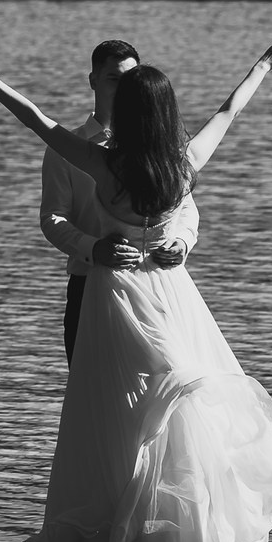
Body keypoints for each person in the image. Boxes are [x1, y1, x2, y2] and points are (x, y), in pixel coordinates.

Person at [0, 32, 272, 542]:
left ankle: (126, 531)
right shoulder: (184, 161)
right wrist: (264, 62)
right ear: (166, 113)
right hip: (168, 295)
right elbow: (230, 110)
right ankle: (155, 531)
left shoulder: (105, 164)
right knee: (169, 402)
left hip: (114, 295)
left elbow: (34, 118)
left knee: (109, 414)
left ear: (132, 108)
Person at [44, 39, 198, 362]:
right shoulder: (68, 147)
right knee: (93, 397)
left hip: (152, 289)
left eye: (130, 80)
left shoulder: (160, 151)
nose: (123, 89)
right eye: (114, 79)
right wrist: (93, 249)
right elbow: (53, 218)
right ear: (93, 81)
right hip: (89, 289)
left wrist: (181, 243)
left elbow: (185, 209)